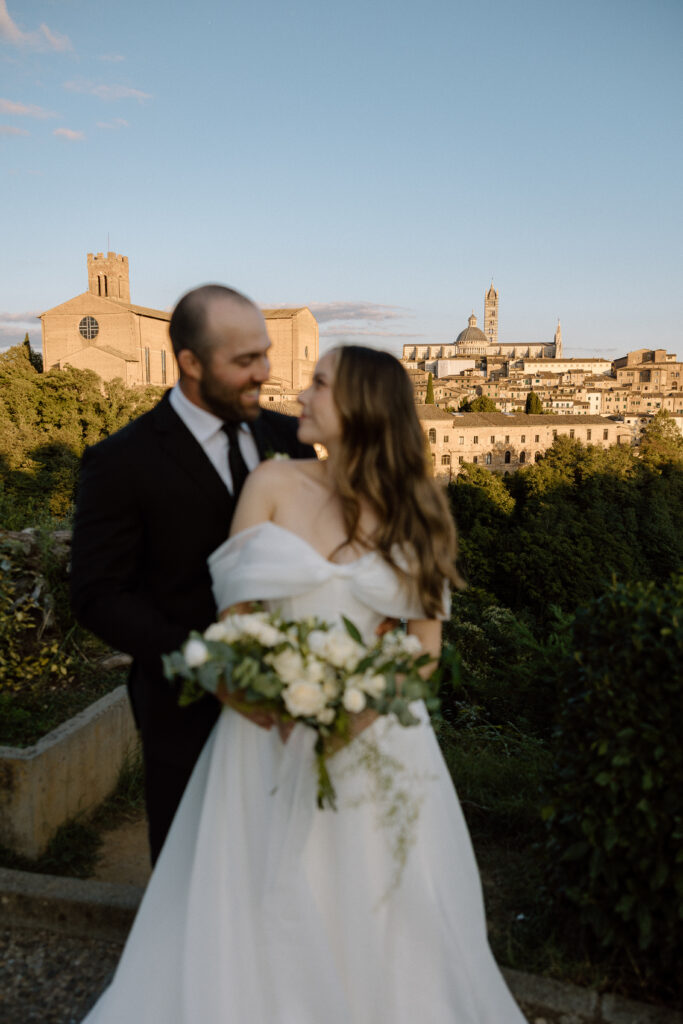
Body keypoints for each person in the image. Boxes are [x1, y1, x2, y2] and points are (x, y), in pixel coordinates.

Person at [81, 346, 528, 1023]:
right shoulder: (271, 482)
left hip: (377, 741)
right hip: (262, 731)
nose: (300, 395)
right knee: (256, 897)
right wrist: (266, 689)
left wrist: (352, 716)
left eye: (319, 384)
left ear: (360, 407)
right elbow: (234, 618)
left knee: (379, 905)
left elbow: (423, 651)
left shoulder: (421, 508)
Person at [70, 285, 315, 863]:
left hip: (297, 701)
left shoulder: (291, 441)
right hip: (181, 709)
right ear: (191, 362)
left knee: (289, 862)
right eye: (245, 360)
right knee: (193, 869)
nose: (265, 372)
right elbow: (98, 594)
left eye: (264, 354)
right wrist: (206, 663)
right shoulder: (120, 461)